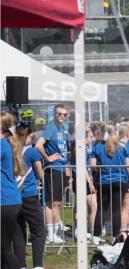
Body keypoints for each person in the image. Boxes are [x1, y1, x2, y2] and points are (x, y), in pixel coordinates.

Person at [17, 122, 56, 269]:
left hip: (15, 197)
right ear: (29, 135)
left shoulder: (13, 151)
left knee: (19, 232)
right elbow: (40, 173)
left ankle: (20, 267)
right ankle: (38, 266)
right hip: (29, 195)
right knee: (38, 230)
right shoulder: (32, 152)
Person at [91, 124, 129, 239]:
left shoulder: (98, 147)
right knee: (117, 209)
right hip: (121, 180)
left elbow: (92, 166)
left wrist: (101, 168)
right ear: (115, 133)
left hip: (104, 181)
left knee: (101, 208)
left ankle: (97, 236)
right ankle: (114, 236)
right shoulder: (123, 147)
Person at [2, 112, 30, 269]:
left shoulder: (3, 145)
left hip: (5, 201)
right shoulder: (6, 145)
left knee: (3, 246)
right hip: (7, 201)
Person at [36, 103, 72, 243]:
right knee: (51, 203)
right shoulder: (51, 128)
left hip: (61, 169)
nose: (61, 116)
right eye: (59, 114)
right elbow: (39, 145)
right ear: (54, 114)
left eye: (64, 114)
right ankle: (50, 234)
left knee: (58, 202)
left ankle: (56, 233)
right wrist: (47, 158)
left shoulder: (62, 129)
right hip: (53, 169)